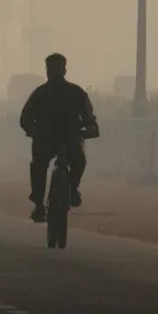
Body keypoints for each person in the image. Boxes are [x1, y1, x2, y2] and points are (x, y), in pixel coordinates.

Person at [19, 52, 99, 223]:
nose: (55, 72)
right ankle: (40, 204)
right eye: (52, 69)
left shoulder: (52, 93)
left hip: (62, 139)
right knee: (39, 165)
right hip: (49, 139)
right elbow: (25, 119)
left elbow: (88, 118)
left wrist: (90, 129)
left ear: (64, 70)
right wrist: (34, 132)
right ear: (48, 70)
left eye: (57, 68)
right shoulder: (65, 92)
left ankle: (69, 190)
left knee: (77, 161)